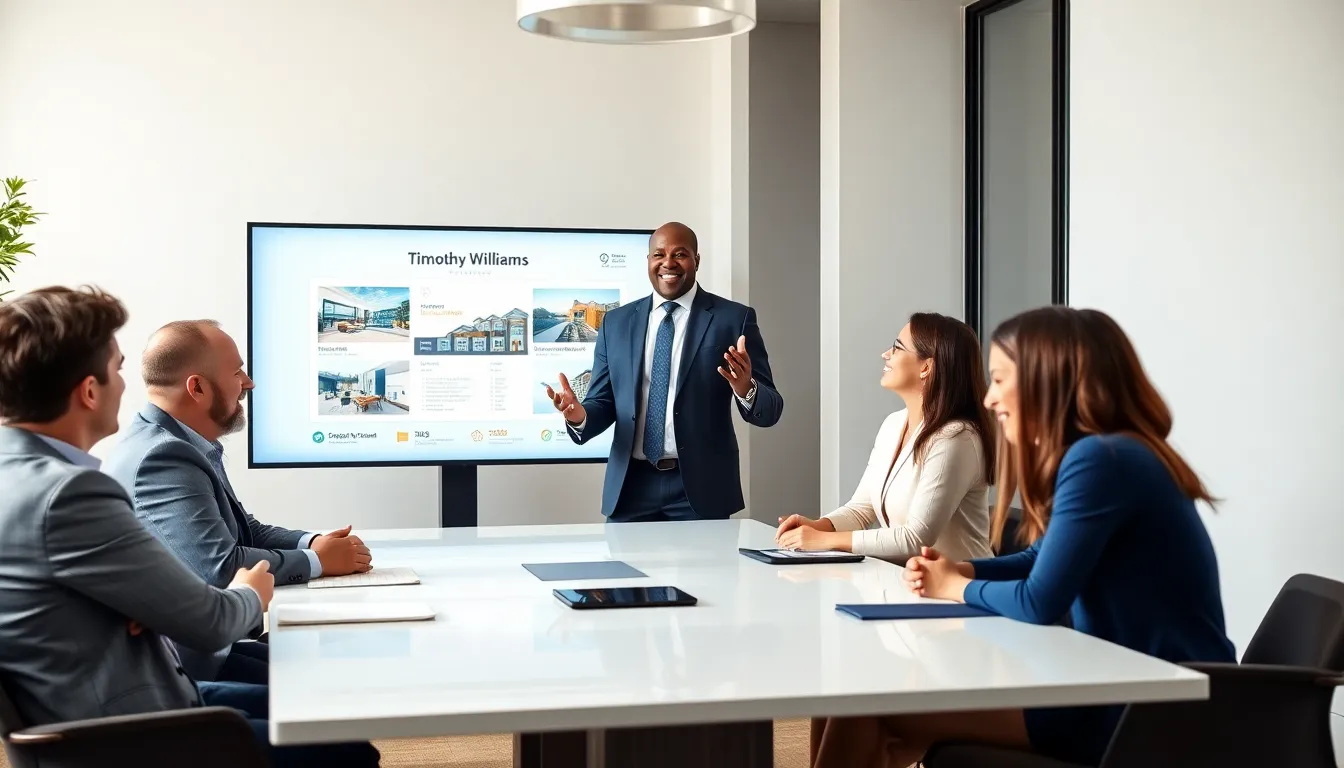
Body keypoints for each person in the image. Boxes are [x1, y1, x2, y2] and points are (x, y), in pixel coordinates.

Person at [808, 306, 1235, 768]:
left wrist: (953, 585)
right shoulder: (1109, 453)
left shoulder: (1101, 460)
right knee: (856, 703)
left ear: (1047, 379)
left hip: (1145, 708)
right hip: (1123, 684)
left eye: (1000, 379)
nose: (990, 399)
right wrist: (964, 569)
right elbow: (1039, 557)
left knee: (866, 710)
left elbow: (1040, 601)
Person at [0, 286, 379, 766]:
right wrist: (250, 591)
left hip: (113, 706)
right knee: (343, 749)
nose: (126, 386)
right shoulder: (69, 494)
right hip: (127, 735)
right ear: (89, 391)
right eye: (117, 370)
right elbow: (209, 617)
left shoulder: (21, 477)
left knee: (332, 709)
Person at [103, 319, 372, 684]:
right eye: (237, 372)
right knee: (329, 691)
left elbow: (244, 530)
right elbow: (220, 566)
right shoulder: (162, 457)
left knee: (336, 669)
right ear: (196, 387)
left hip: (207, 649)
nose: (249, 383)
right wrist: (318, 562)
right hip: (186, 669)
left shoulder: (180, 442)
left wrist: (312, 543)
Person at [544, 221, 783, 521]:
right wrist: (578, 415)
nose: (668, 263)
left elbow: (771, 410)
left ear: (696, 260)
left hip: (700, 488)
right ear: (648, 261)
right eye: (659, 255)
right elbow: (603, 403)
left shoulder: (732, 319)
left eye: (680, 254)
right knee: (623, 568)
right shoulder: (616, 323)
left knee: (708, 571)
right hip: (630, 487)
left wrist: (746, 389)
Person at [774, 312, 995, 563]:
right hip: (906, 582)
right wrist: (818, 527)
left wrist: (824, 541)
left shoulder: (956, 437)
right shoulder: (894, 424)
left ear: (926, 367)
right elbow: (861, 510)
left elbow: (917, 538)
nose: (886, 354)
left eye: (897, 348)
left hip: (960, 592)